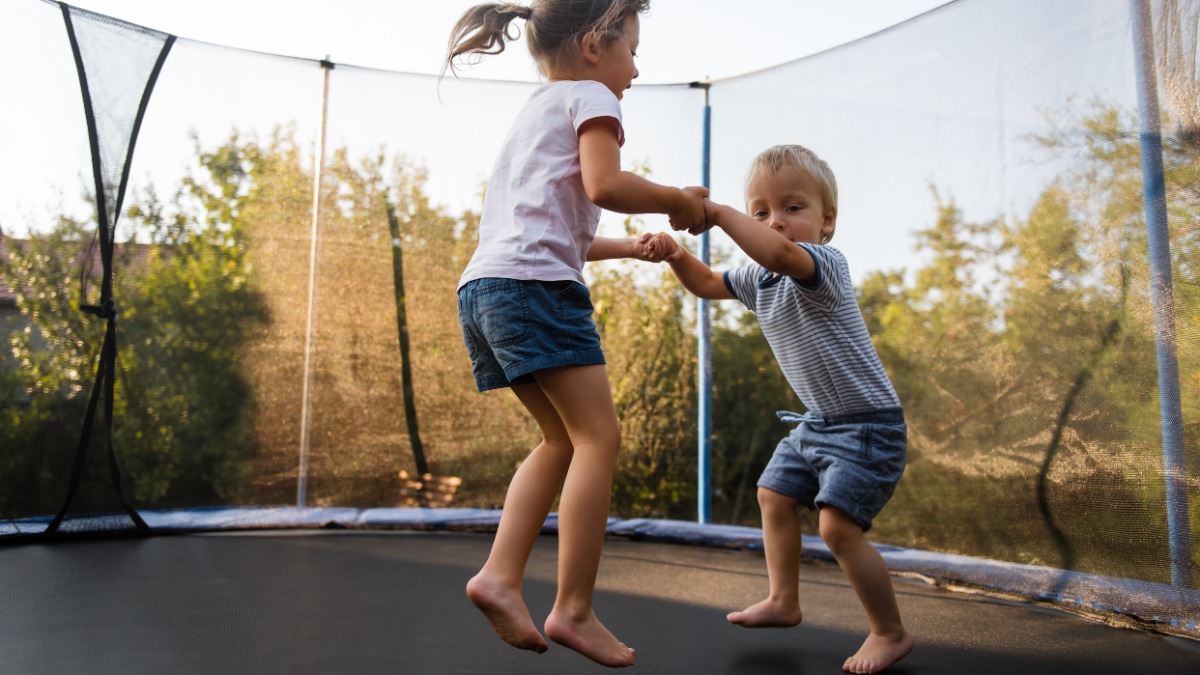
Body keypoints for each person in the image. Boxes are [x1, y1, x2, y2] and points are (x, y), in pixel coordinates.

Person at [443, 0, 707, 668]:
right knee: (599, 437)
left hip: (486, 289)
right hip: (534, 290)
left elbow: (561, 233)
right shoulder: (593, 96)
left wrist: (629, 247)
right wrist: (678, 199)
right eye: (633, 50)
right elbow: (606, 182)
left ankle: (500, 576)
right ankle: (574, 608)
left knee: (560, 438)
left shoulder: (534, 111)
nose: (636, 70)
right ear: (595, 45)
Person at [642, 144, 913, 674]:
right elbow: (705, 283)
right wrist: (677, 255)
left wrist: (720, 213)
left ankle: (890, 631)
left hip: (867, 427)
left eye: (792, 208)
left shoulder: (823, 264)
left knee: (836, 530)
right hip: (816, 423)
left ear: (826, 220)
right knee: (772, 495)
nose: (775, 223)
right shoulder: (754, 279)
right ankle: (784, 601)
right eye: (760, 211)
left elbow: (780, 255)